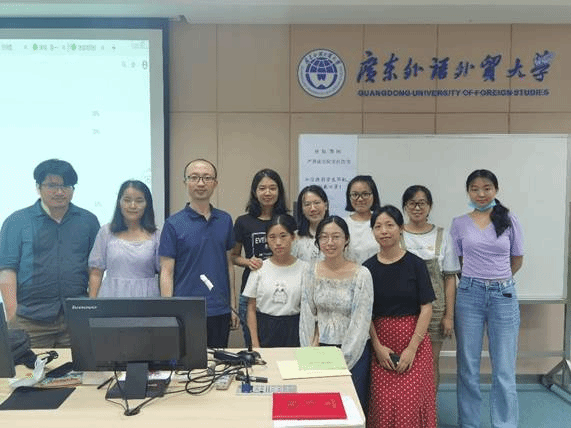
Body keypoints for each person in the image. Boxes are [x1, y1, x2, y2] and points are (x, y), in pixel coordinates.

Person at [451, 169, 523, 428]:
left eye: (486, 188)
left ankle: (505, 424)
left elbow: (517, 259)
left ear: (496, 190)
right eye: (475, 189)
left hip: (503, 295)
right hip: (469, 295)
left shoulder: (509, 219)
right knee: (468, 367)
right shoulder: (459, 223)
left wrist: (497, 280)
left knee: (504, 368)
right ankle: (469, 423)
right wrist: (478, 281)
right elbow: (459, 262)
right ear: (468, 192)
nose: (481, 194)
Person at [0, 159, 100, 347]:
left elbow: (95, 268)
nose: (60, 192)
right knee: (29, 367)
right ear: (38, 187)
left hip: (76, 318)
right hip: (30, 321)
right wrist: (12, 316)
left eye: (66, 186)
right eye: (52, 186)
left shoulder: (88, 221)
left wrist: (92, 307)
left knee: (79, 366)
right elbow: (7, 271)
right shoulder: (16, 222)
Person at [364, 205, 436, 428]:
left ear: (401, 228)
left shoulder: (416, 264)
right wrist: (377, 346)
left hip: (414, 341)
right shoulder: (367, 269)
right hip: (381, 343)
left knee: (410, 405)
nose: (384, 231)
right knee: (383, 406)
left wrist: (412, 348)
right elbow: (365, 313)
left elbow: (426, 307)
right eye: (378, 226)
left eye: (389, 225)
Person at [159, 159, 237, 348]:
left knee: (217, 363)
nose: (201, 183)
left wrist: (232, 305)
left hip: (219, 309)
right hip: (185, 310)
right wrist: (168, 311)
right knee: (187, 364)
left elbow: (229, 265)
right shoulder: (173, 224)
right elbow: (166, 271)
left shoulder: (225, 220)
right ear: (185, 182)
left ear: (215, 183)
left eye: (207, 178)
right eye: (194, 177)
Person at [299, 215, 373, 413]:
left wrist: (345, 359)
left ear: (346, 239)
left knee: (351, 409)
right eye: (324, 237)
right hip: (320, 349)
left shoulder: (362, 274)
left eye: (336, 236)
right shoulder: (309, 271)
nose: (330, 242)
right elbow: (307, 314)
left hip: (354, 352)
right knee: (320, 409)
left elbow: (361, 320)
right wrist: (308, 352)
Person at [401, 185, 460, 388]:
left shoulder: (443, 235)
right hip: (405, 309)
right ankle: (410, 405)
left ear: (430, 206)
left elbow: (450, 279)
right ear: (405, 207)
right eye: (412, 203)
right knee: (405, 359)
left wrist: (448, 316)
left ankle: (430, 405)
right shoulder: (397, 234)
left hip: (436, 310)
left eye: (422, 203)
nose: (417, 208)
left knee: (431, 361)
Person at [231, 169, 288, 346]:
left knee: (282, 345)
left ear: (279, 191)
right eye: (262, 188)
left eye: (273, 188)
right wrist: (248, 262)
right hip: (252, 292)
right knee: (253, 345)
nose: (267, 193)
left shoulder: (287, 220)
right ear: (255, 192)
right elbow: (233, 256)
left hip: (283, 290)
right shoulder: (243, 221)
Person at [243, 214, 308, 348]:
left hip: (294, 329)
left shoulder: (304, 268)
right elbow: (251, 309)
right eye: (272, 237)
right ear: (266, 239)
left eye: (283, 236)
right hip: (265, 329)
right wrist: (255, 344)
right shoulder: (259, 268)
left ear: (293, 237)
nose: (278, 242)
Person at [88, 180, 160, 298]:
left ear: (147, 204)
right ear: (119, 203)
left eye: (139, 201)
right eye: (127, 200)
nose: (133, 206)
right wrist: (92, 304)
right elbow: (96, 272)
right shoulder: (106, 232)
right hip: (112, 296)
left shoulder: (156, 235)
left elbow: (164, 272)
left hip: (147, 298)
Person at [344, 175, 381, 264]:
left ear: (374, 195)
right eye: (355, 195)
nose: (360, 199)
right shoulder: (342, 224)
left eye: (365, 194)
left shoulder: (381, 222)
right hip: (349, 271)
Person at [292, 185, 329, 263]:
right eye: (307, 204)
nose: (313, 209)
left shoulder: (337, 234)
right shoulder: (295, 238)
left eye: (317, 203)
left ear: (326, 205)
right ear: (302, 209)